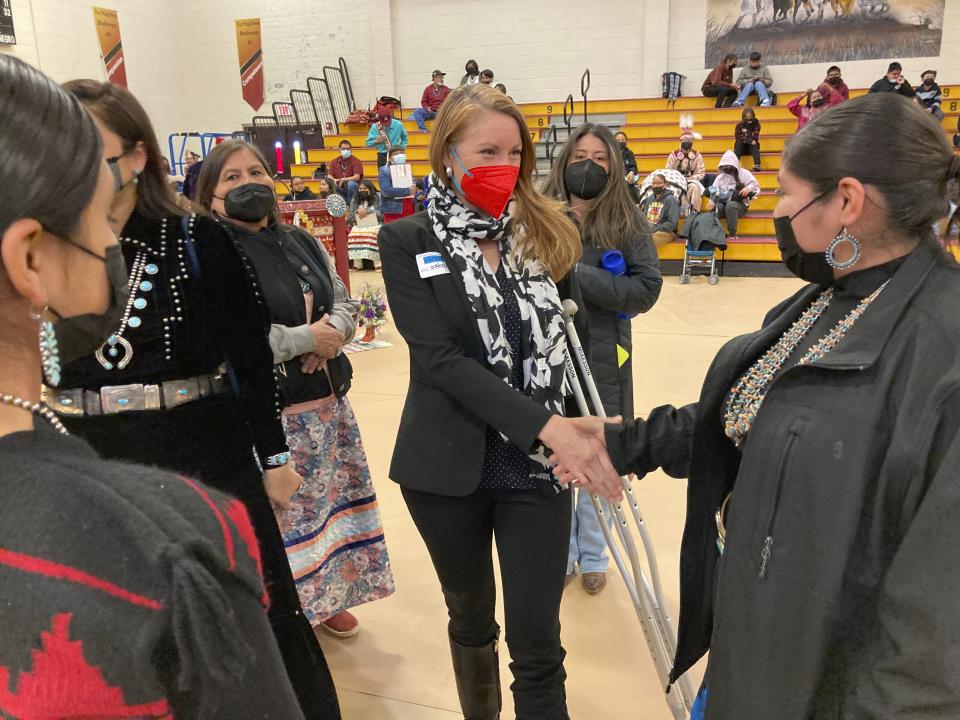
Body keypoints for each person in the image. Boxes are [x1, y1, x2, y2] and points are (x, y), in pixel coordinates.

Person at [556, 93, 960, 720]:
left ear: (847, 201)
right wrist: (624, 441)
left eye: (787, 194)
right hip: (757, 633)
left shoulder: (943, 354)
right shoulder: (832, 296)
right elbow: (747, 419)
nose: (777, 212)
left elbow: (934, 635)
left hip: (823, 678)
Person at [0, 52, 307, 720]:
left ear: (136, 157)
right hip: (83, 441)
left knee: (238, 626)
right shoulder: (49, 262)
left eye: (84, 157)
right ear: (27, 257)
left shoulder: (196, 236)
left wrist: (275, 457)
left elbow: (249, 357)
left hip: (199, 443)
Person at [379, 84, 621, 720]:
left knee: (538, 640)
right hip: (446, 466)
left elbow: (573, 340)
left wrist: (582, 430)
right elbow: (440, 360)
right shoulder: (406, 240)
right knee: (471, 620)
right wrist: (548, 426)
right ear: (448, 156)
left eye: (515, 153)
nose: (504, 167)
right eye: (487, 150)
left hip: (537, 467)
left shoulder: (545, 232)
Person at [197, 140, 395, 642]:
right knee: (283, 521)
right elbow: (224, 337)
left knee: (328, 511)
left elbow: (344, 298)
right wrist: (309, 338)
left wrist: (336, 336)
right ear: (210, 195)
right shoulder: (209, 254)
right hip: (271, 420)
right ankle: (289, 614)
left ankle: (327, 598)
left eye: (257, 172)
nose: (249, 184)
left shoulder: (300, 241)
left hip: (328, 407)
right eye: (232, 178)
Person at [542, 124, 662, 596]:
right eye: (579, 155)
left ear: (613, 166)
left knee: (597, 452)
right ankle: (562, 553)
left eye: (600, 158)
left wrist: (577, 275)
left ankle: (593, 554)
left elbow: (645, 290)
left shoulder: (627, 222)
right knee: (554, 454)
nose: (588, 165)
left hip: (603, 354)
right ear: (564, 161)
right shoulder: (542, 214)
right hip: (548, 353)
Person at [706, 150, 761, 240]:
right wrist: (711, 201)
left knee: (730, 205)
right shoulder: (720, 177)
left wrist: (748, 188)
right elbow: (713, 190)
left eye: (730, 166)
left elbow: (756, 187)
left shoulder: (744, 174)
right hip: (722, 204)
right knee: (717, 207)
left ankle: (732, 234)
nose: (728, 168)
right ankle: (713, 234)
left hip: (739, 205)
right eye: (725, 166)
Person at [667, 131, 706, 215]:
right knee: (673, 190)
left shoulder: (697, 155)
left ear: (692, 143)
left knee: (694, 188)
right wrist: (678, 179)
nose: (687, 143)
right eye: (685, 141)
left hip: (691, 181)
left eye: (689, 141)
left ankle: (695, 212)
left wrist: (689, 179)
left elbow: (701, 173)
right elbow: (668, 171)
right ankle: (673, 214)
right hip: (676, 181)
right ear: (681, 142)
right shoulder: (673, 155)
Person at [347, 179, 383, 270]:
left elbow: (382, 213)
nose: (362, 190)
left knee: (373, 234)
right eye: (360, 188)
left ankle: (378, 263)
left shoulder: (378, 196)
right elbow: (349, 219)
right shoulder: (355, 199)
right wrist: (357, 212)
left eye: (365, 188)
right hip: (360, 226)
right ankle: (357, 263)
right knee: (352, 235)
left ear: (370, 189)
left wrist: (368, 211)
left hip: (377, 224)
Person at [639, 174, 681, 248]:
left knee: (647, 241)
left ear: (665, 185)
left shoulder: (671, 200)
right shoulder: (649, 198)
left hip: (665, 232)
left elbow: (672, 223)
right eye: (654, 183)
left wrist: (656, 229)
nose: (656, 186)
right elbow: (645, 218)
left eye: (659, 183)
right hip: (649, 231)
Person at [378, 145, 416, 223]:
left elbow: (412, 188)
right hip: (394, 209)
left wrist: (418, 193)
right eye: (396, 154)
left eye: (402, 153)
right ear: (390, 157)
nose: (400, 155)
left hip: (409, 206)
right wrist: (407, 191)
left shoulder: (407, 169)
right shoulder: (384, 170)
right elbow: (386, 191)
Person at [329, 139, 363, 203]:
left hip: (353, 188)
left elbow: (357, 177)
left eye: (348, 149)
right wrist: (334, 179)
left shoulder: (356, 161)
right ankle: (341, 204)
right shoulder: (334, 161)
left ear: (351, 150)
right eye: (343, 149)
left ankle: (352, 204)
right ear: (339, 150)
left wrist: (344, 179)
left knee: (351, 184)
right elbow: (329, 175)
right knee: (332, 184)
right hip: (339, 186)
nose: (346, 150)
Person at [734, 106, 762, 171]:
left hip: (751, 148)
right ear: (744, 117)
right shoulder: (740, 125)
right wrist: (748, 140)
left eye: (750, 117)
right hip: (741, 148)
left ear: (753, 116)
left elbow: (755, 136)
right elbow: (738, 137)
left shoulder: (756, 124)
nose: (748, 119)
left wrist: (747, 134)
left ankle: (757, 165)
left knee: (754, 143)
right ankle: (734, 164)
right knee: (739, 142)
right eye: (747, 117)